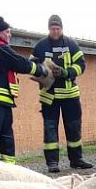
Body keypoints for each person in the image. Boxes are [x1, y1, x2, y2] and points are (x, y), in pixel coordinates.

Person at [0, 14, 54, 164]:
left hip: (2, 100)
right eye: (7, 32)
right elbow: (19, 63)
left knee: (7, 137)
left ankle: (9, 170)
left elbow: (16, 62)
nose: (10, 35)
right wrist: (40, 70)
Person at [33, 15, 92, 173]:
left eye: (58, 28)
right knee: (50, 129)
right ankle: (52, 162)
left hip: (70, 95)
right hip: (49, 96)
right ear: (48, 29)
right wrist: (41, 71)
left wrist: (66, 72)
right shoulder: (40, 46)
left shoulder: (71, 44)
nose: (55, 31)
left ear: (62, 28)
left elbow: (81, 65)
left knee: (74, 128)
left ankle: (76, 159)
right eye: (53, 28)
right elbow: (31, 64)